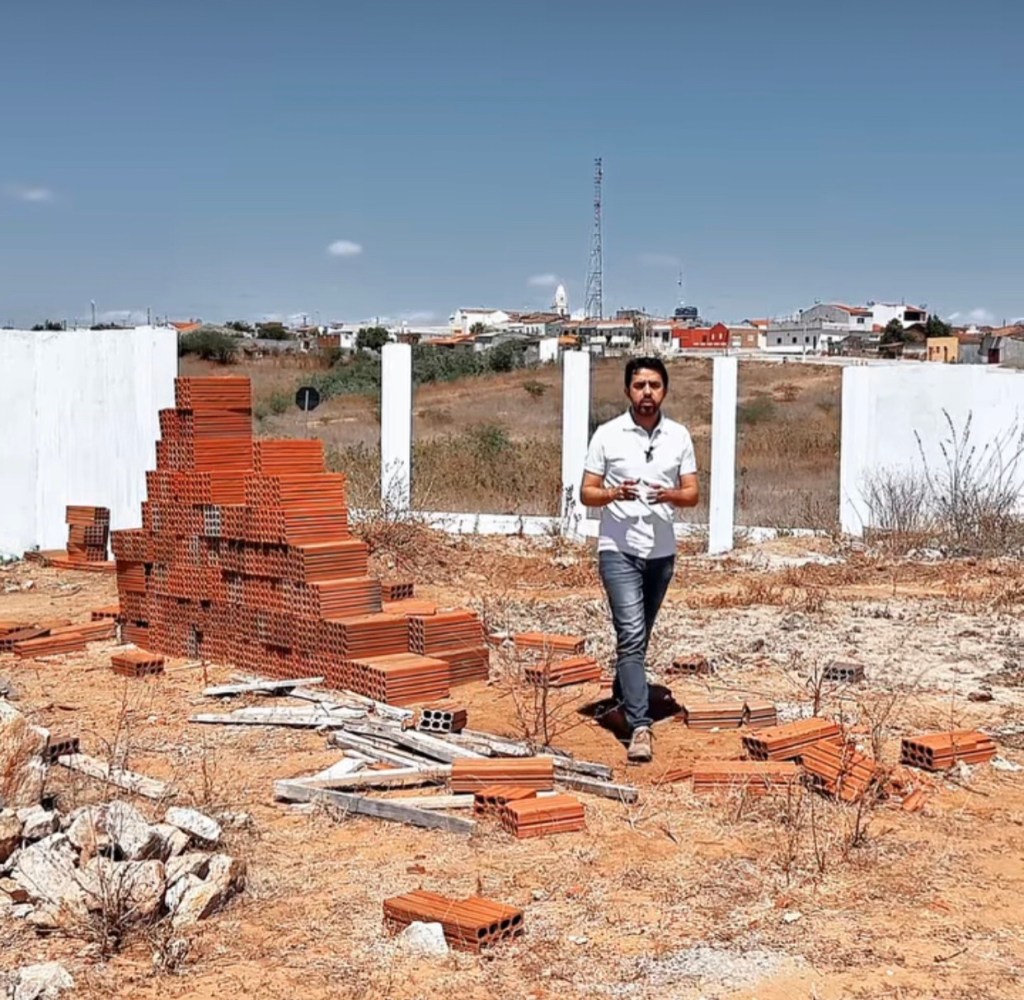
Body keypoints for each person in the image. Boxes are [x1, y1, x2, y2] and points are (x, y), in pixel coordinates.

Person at [580, 357, 699, 762]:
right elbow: (587, 493)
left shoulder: (679, 436)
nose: (646, 393)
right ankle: (640, 726)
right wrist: (614, 494)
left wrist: (669, 494)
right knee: (631, 635)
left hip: (661, 554)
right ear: (628, 390)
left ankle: (621, 696)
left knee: (638, 636)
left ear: (665, 390)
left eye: (654, 385)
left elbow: (692, 493)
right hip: (618, 549)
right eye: (639, 385)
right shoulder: (608, 435)